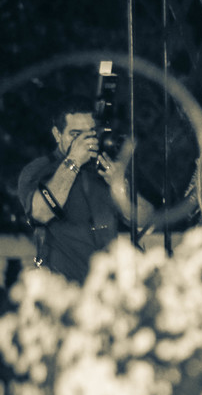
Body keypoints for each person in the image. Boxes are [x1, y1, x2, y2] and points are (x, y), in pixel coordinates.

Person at [17, 96, 153, 283]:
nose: (85, 141)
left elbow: (146, 221)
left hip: (106, 286)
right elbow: (40, 213)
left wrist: (122, 190)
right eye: (75, 134)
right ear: (57, 134)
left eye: (90, 134)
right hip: (61, 286)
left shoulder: (106, 166)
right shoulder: (39, 169)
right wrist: (73, 161)